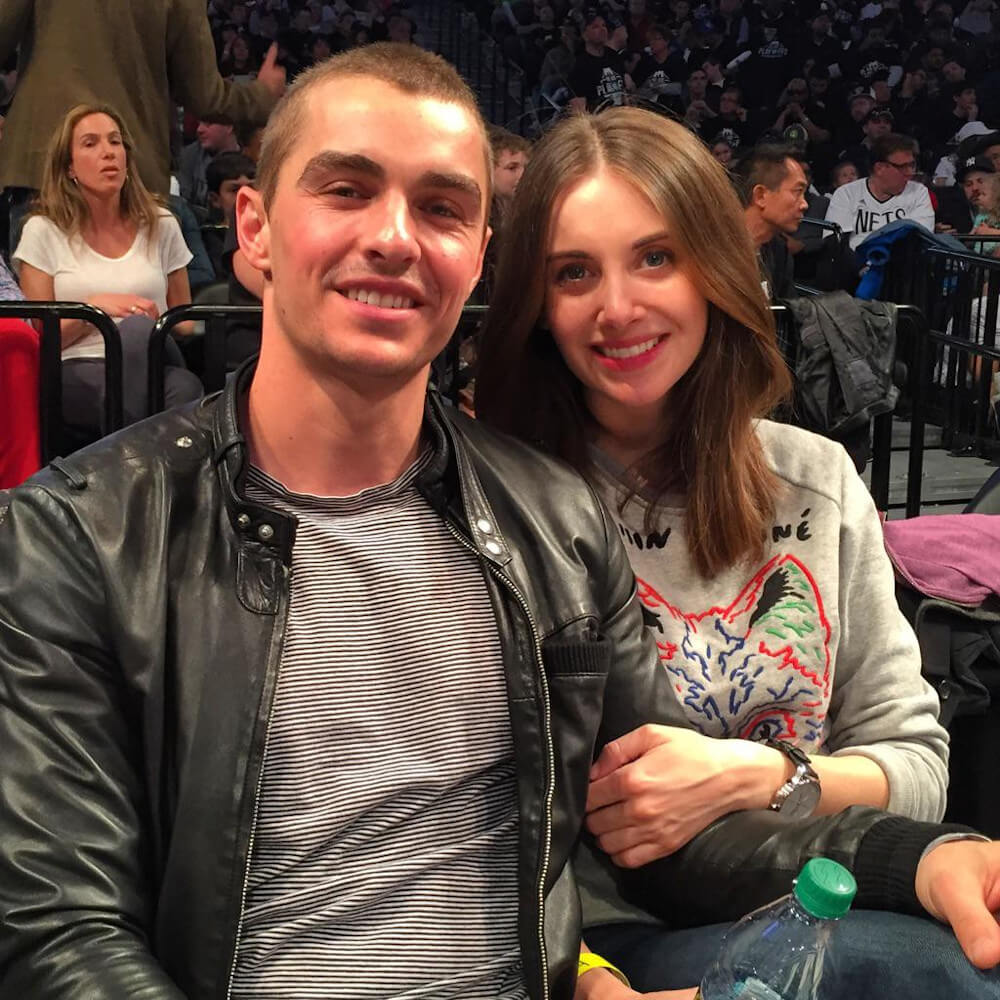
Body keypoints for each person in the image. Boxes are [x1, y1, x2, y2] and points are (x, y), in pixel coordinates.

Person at [2, 44, 1000, 1000]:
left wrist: (918, 859)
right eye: (347, 189)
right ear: (253, 229)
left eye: (440, 206)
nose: (394, 235)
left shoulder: (548, 521)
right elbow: (56, 929)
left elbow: (661, 830)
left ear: (477, 257)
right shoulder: (79, 536)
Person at [473, 105, 999, 998]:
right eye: (573, 272)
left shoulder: (815, 477)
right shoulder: (498, 502)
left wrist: (759, 774)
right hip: (617, 939)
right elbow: (484, 825)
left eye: (654, 257)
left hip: (824, 888)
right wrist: (590, 982)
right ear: (535, 302)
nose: (618, 307)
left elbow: (916, 768)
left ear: (713, 268)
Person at [0, 0, 285, 242]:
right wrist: (262, 95)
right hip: (131, 172)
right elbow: (203, 94)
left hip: (44, 163)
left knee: (39, 305)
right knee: (136, 306)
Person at [11, 104, 202, 431]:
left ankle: (125, 471)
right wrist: (94, 310)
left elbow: (184, 323)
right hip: (77, 367)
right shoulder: (43, 230)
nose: (108, 152)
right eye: (91, 143)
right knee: (184, 389)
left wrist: (146, 320)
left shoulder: (162, 224)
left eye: (115, 142)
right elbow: (42, 339)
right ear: (69, 167)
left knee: (136, 330)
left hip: (154, 353)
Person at [825, 132, 935, 248]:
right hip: (854, 263)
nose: (910, 173)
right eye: (903, 167)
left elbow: (920, 240)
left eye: (912, 165)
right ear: (879, 168)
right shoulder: (846, 193)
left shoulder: (918, 192)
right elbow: (835, 243)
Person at [733, 144, 809, 299]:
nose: (804, 204)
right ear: (760, 196)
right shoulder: (711, 250)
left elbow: (787, 315)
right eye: (797, 192)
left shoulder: (779, 250)